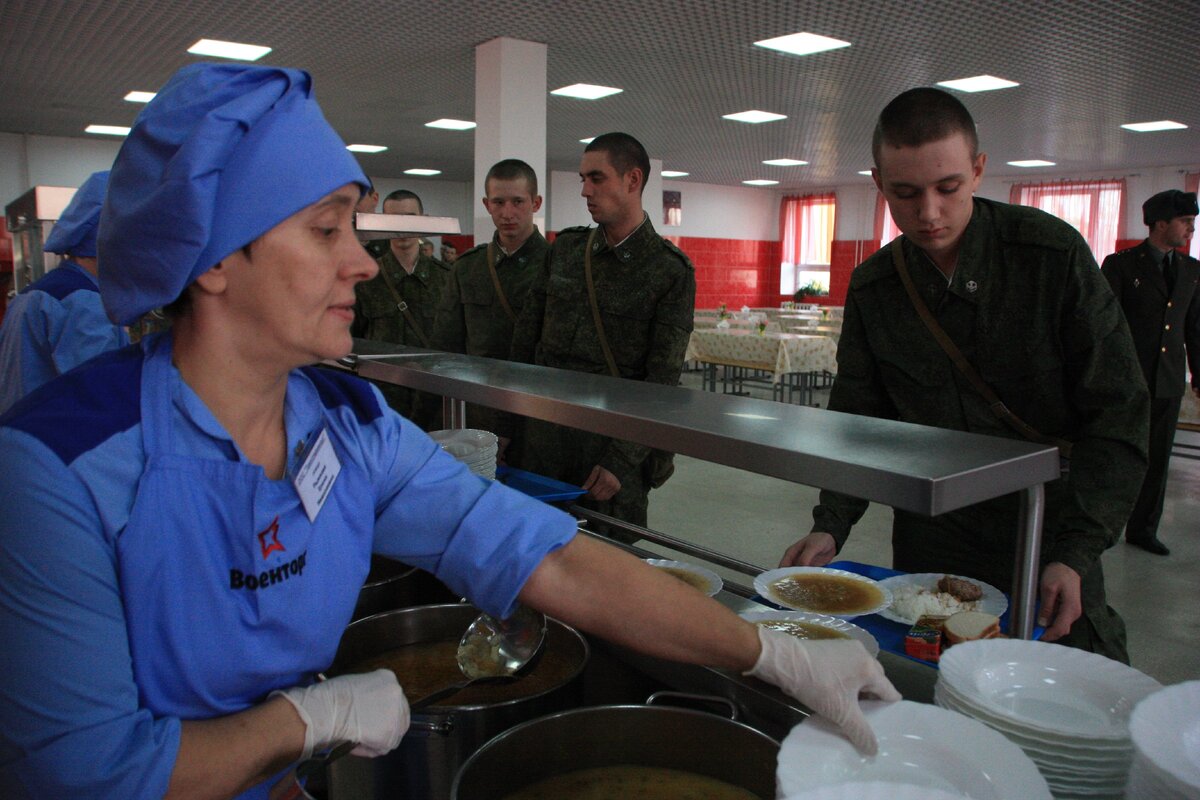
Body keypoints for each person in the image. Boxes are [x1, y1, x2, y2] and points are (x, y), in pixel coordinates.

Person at [0, 62, 896, 800]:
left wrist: (770, 651)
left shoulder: (349, 429)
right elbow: (93, 774)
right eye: (324, 231)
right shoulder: (58, 469)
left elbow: (552, 557)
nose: (359, 259)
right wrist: (305, 721)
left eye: (352, 227)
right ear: (213, 263)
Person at [779, 87, 1149, 663]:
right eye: (905, 193)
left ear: (977, 171)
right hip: (935, 528)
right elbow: (858, 419)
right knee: (936, 671)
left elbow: (1119, 408)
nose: (928, 213)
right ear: (878, 183)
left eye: (947, 188)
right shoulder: (878, 286)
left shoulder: (1047, 256)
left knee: (1061, 669)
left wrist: (1075, 553)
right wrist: (831, 524)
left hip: (1044, 521)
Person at [506, 133, 695, 538]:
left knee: (613, 572)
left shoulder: (668, 271)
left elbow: (661, 385)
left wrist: (621, 461)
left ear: (632, 179)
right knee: (533, 562)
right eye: (582, 179)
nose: (585, 191)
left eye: (596, 179)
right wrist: (509, 428)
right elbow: (524, 346)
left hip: (607, 459)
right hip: (542, 445)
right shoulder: (567, 250)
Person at [1100, 190, 1200, 556]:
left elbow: (1195, 328)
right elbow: (1105, 326)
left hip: (1169, 382)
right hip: (1128, 382)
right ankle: (1103, 524)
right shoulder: (1121, 265)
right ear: (1161, 224)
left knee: (1158, 460)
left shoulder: (1191, 271)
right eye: (1185, 223)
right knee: (1118, 455)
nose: (1191, 230)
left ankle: (1143, 529)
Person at [427, 158, 548, 436]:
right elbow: (445, 348)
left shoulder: (556, 267)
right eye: (498, 202)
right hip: (478, 413)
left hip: (538, 414)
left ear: (536, 203)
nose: (507, 213)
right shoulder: (468, 267)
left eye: (518, 202)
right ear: (486, 205)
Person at [0, 170, 130, 414]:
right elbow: (101, 397)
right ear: (109, 241)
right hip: (58, 439)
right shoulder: (84, 303)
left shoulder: (37, 293)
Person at [351, 188, 451, 417]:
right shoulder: (365, 278)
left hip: (434, 400)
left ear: (424, 222)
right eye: (393, 219)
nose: (402, 227)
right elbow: (351, 345)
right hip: (381, 401)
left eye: (409, 218)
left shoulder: (445, 277)